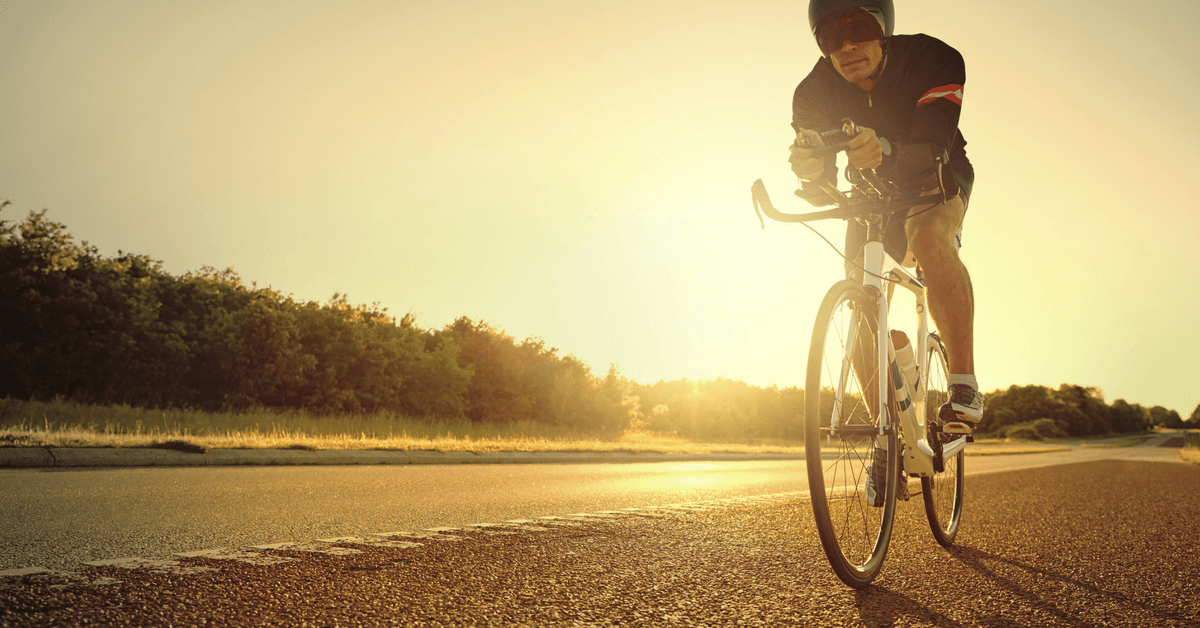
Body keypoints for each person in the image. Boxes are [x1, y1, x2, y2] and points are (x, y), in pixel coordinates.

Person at [787, 0, 984, 425]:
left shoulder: (934, 59)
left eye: (857, 27)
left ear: (883, 27)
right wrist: (811, 174)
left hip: (936, 175)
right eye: (831, 37)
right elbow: (824, 185)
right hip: (871, 193)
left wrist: (886, 151)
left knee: (927, 238)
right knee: (861, 300)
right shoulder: (812, 93)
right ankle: (885, 434)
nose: (847, 46)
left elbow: (932, 149)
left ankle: (964, 384)